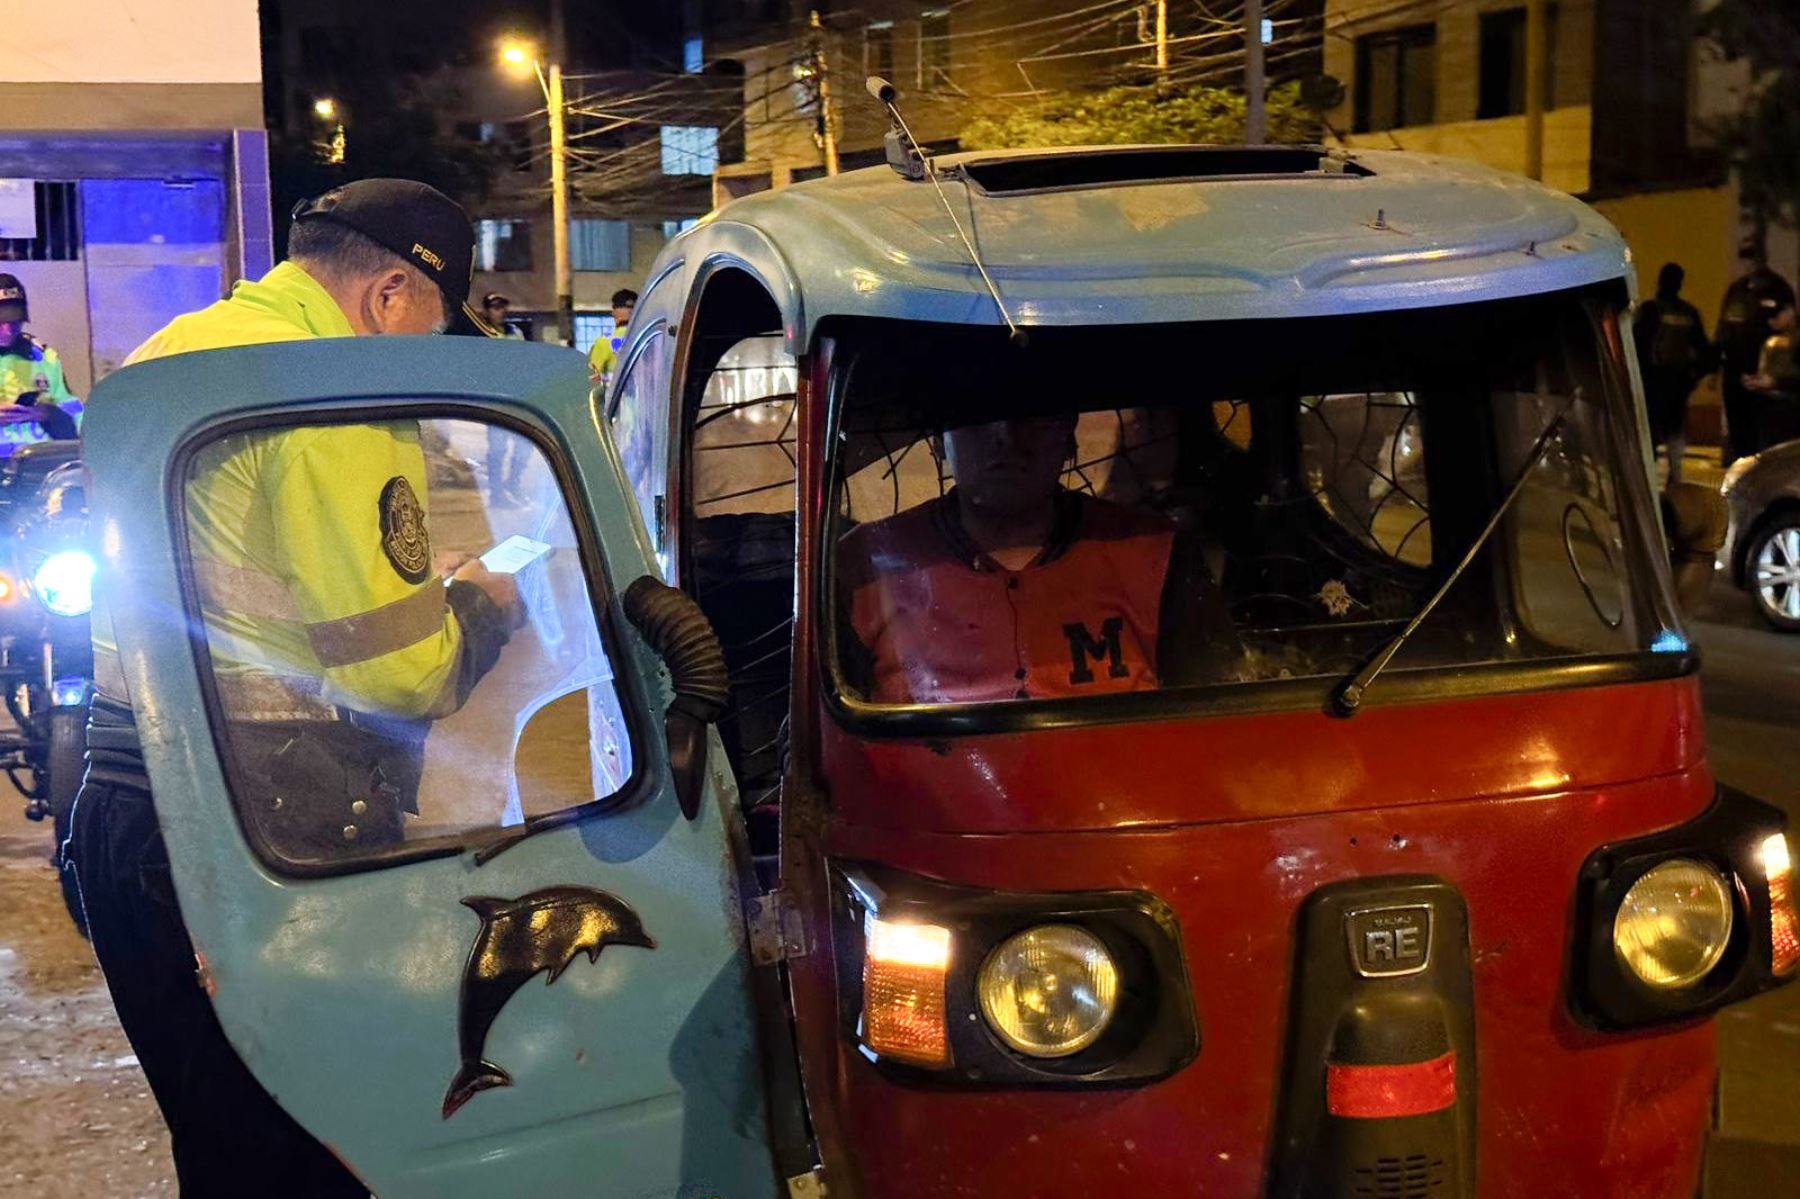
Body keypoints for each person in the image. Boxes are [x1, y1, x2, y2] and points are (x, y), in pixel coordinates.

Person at [68, 179, 520, 1198]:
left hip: (124, 806)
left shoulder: (177, 348)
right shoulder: (328, 385)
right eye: (438, 326)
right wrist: (482, 610)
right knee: (316, 1156)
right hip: (269, 826)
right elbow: (398, 669)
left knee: (224, 1151)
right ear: (393, 294)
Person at [837, 413, 1238, 705]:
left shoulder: (1154, 553)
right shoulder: (867, 565)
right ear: (941, 439)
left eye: (1033, 413)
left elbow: (1217, 714)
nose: (1005, 435)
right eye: (976, 413)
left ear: (1069, 435)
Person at [1715, 238, 1795, 464]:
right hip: (1735, 373)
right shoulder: (1737, 290)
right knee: (1738, 429)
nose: (1747, 262)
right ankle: (1742, 474)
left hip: (1763, 375)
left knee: (1763, 432)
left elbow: (1788, 328)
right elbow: (1723, 329)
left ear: (1761, 258)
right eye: (1744, 256)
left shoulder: (1778, 289)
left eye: (1751, 256)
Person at [1633, 263, 1712, 484]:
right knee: (1675, 435)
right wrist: (1692, 379)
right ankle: (1675, 480)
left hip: (1652, 383)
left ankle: (1646, 480)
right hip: (1678, 384)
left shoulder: (1649, 310)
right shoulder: (1689, 313)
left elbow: (1636, 346)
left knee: (1648, 433)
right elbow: (1705, 351)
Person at [0, 273, 81, 449]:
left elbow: (74, 415)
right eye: (2, 321)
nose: (9, 329)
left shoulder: (44, 357)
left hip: (37, 465)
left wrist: (47, 413)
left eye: (15, 320)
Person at [482, 291, 530, 503]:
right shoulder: (481, 333)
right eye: (495, 307)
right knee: (497, 449)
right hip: (493, 398)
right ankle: (496, 493)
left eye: (502, 307)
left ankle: (513, 482)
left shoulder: (515, 332)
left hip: (517, 396)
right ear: (487, 310)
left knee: (524, 445)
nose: (500, 312)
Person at [1744, 298, 1800, 448]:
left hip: (1792, 407)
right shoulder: (1769, 338)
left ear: (1790, 312)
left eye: (1776, 316)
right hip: (1770, 405)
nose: (1771, 321)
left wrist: (1777, 382)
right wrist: (1757, 380)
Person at [586, 287, 637, 390]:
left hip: (615, 403)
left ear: (614, 312)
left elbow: (591, 380)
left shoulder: (604, 341)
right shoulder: (650, 338)